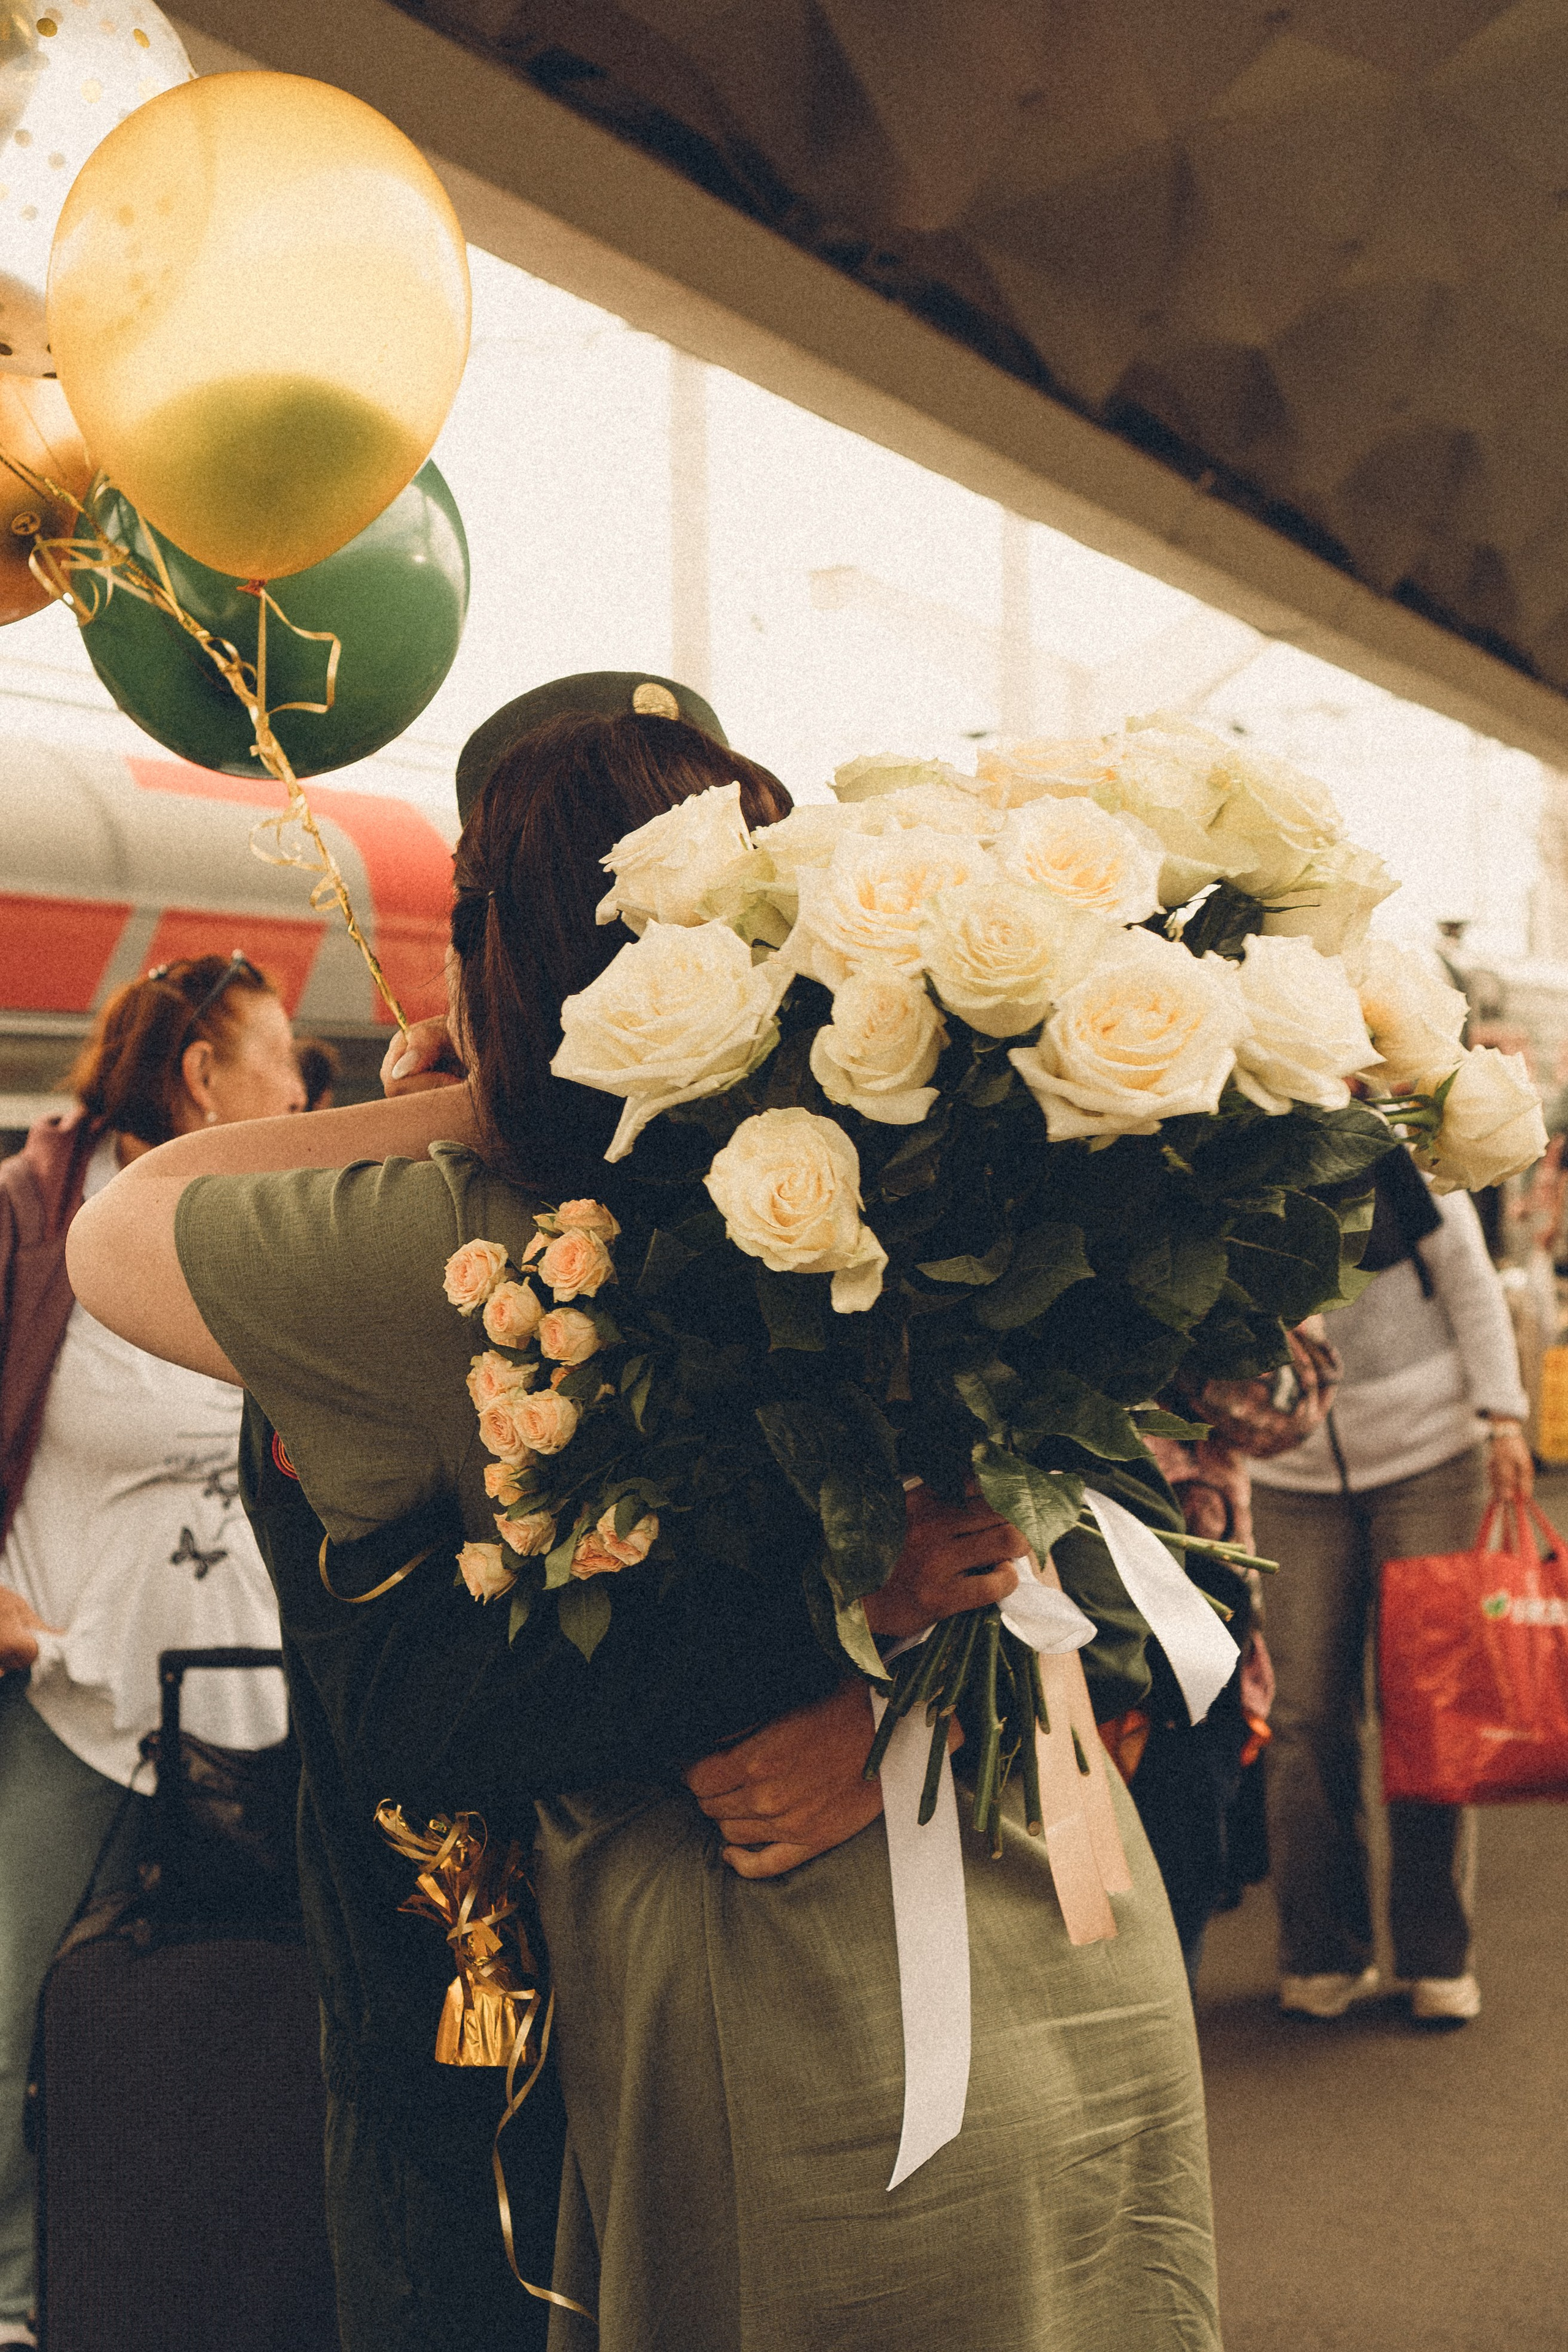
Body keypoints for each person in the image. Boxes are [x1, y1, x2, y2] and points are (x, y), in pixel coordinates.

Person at [67, 676, 1221, 2352]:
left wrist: (497, 1093)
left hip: (759, 1994)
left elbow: (131, 1230)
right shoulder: (926, 1160)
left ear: (493, 957)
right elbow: (1086, 1515)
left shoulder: (460, 1238)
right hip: (1061, 1918)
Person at [0, 952, 305, 2351]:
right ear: (201, 1078)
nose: (302, 1091)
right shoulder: (31, 1217)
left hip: (258, 1708)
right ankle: (13, 2310)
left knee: (235, 2028)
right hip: (77, 1692)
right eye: (283, 1059)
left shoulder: (277, 1223)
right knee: (4, 2027)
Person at [1248, 1143, 1533, 2026]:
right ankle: (1323, 1951)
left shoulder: (1400, 1169)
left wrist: (1503, 1416)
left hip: (1430, 1460)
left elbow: (1474, 1288)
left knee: (1429, 1706)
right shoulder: (1238, 1175)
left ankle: (1437, 1953)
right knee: (1305, 1722)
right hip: (1291, 1473)